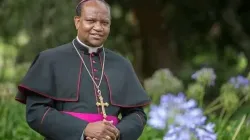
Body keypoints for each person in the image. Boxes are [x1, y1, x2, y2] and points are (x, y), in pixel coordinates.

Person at [15, 0, 151, 140]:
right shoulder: (50, 60)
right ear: (77, 22)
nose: (98, 27)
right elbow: (36, 112)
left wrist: (116, 133)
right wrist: (83, 129)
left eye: (104, 23)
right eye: (91, 21)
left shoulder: (122, 64)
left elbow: (137, 115)